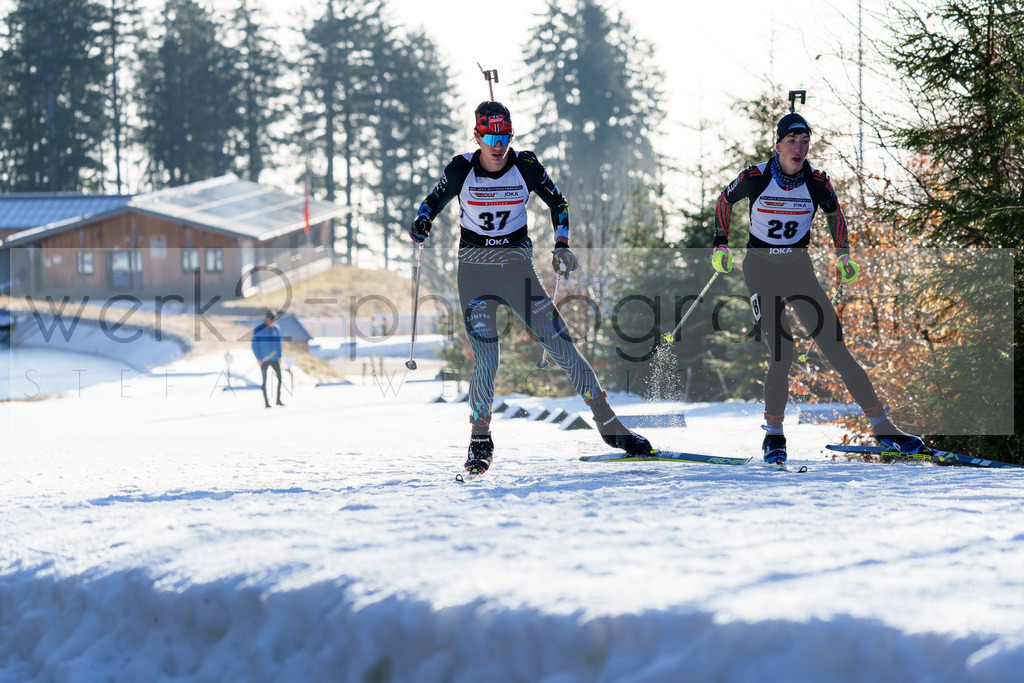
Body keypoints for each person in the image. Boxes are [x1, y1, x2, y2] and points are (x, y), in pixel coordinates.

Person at [410, 101, 652, 474]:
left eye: (505, 137)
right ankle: (480, 439)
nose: (498, 145)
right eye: (490, 137)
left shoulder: (526, 165)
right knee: (488, 358)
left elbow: (559, 203)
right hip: (475, 276)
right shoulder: (461, 169)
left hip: (517, 273)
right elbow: (431, 203)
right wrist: (422, 221)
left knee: (563, 346)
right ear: (476, 136)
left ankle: (610, 425)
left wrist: (561, 245)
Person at [711, 110, 924, 463]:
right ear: (778, 146)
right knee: (782, 351)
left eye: (805, 141)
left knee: (835, 346)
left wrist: (844, 255)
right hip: (760, 269)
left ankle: (883, 427)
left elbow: (835, 214)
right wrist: (720, 244)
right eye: (791, 141)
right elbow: (724, 199)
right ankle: (774, 435)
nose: (799, 148)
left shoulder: (817, 182)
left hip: (798, 269)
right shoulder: (756, 177)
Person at [251, 309, 284, 409]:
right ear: (266, 319)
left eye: (274, 320)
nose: (273, 322)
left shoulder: (276, 329)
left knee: (279, 378)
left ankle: (278, 400)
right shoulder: (259, 330)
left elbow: (279, 343)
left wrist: (280, 355)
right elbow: (254, 345)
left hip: (274, 358)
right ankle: (266, 402)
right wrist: (258, 358)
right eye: (271, 320)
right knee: (265, 380)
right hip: (264, 360)